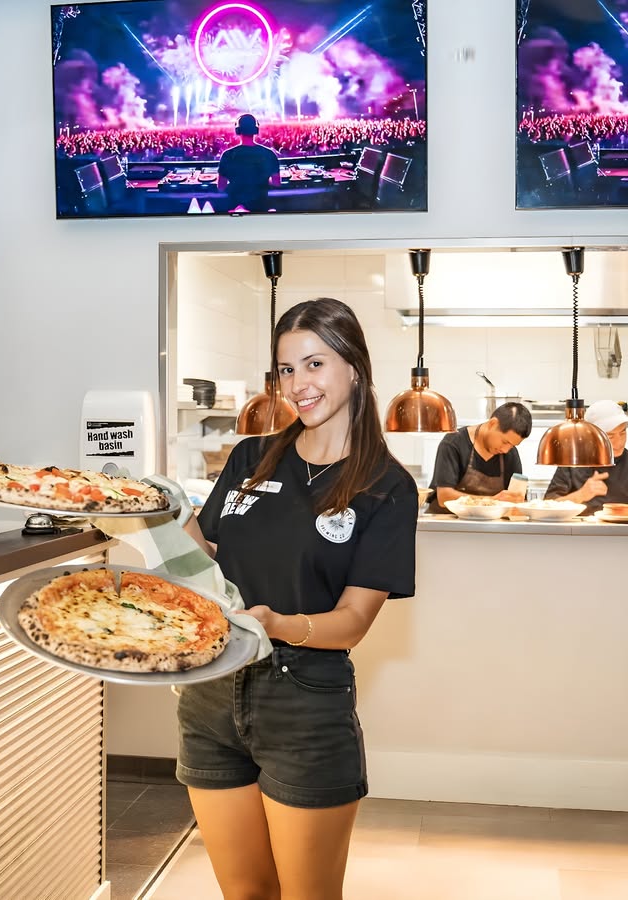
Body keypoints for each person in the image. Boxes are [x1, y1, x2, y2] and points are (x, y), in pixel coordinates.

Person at [177, 297, 418, 900]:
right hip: (209, 695)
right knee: (245, 893)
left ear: (353, 366)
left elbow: (354, 620)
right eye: (286, 370)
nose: (297, 385)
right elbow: (205, 563)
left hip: (304, 701)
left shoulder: (385, 486)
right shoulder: (252, 458)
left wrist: (277, 624)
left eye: (314, 364)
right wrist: (155, 514)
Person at [426, 401, 533, 514]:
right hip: (446, 524)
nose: (506, 450)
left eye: (512, 446)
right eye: (504, 442)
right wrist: (491, 501)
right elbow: (444, 496)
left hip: (487, 528)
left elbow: (517, 500)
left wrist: (518, 501)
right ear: (493, 424)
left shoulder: (510, 454)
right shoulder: (454, 442)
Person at [544, 399, 628, 514]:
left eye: (623, 432)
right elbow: (547, 508)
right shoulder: (572, 461)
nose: (619, 442)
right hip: (578, 531)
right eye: (610, 436)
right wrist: (581, 495)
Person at [217, 113, 281, 212]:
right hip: (261, 206)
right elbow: (277, 183)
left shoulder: (228, 155)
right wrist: (262, 180)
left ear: (238, 130)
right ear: (256, 130)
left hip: (235, 207)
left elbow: (221, 187)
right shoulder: (269, 154)